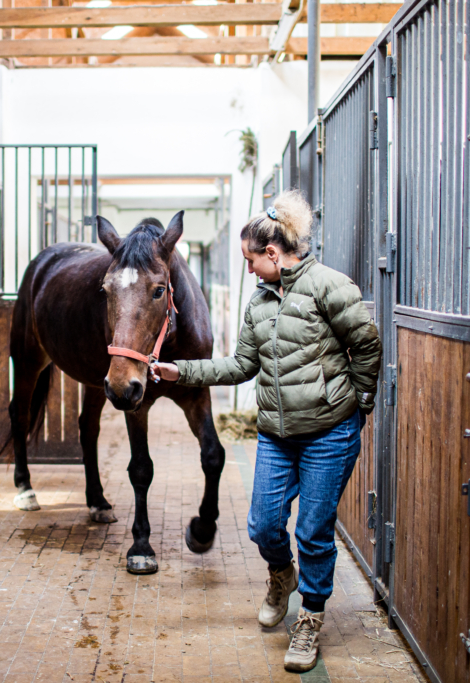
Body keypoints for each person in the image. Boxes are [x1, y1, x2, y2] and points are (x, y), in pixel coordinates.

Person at [151, 189, 382, 673]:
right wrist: (181, 372)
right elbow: (240, 366)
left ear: (273, 253)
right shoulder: (259, 303)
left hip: (328, 434)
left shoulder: (330, 286)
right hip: (278, 434)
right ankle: (282, 577)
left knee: (314, 533)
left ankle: (310, 619)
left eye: (252, 260)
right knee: (262, 525)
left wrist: (359, 403)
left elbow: (366, 344)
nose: (250, 269)